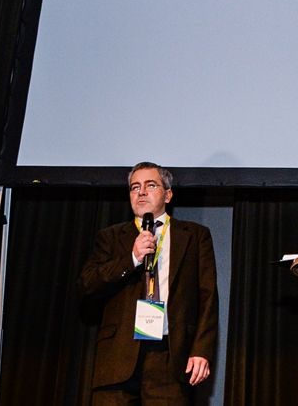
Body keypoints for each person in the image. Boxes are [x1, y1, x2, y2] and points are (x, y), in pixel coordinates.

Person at [78, 162, 218, 405]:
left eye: (150, 185)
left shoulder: (195, 236)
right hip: (118, 356)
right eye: (135, 187)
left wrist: (201, 349)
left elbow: (207, 296)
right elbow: (86, 285)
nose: (141, 192)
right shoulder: (111, 237)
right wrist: (132, 258)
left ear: (168, 194)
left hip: (170, 356)